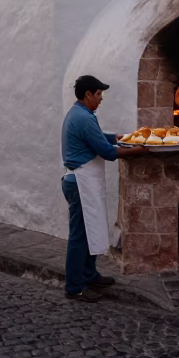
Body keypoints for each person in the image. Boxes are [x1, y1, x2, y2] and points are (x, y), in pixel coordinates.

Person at [61, 75, 146, 303]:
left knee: (90, 230)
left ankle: (89, 275)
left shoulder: (81, 113)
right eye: (98, 94)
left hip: (83, 181)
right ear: (88, 94)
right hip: (80, 182)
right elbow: (107, 153)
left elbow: (97, 138)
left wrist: (116, 137)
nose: (101, 99)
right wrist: (140, 150)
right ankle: (75, 286)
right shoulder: (84, 118)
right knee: (79, 236)